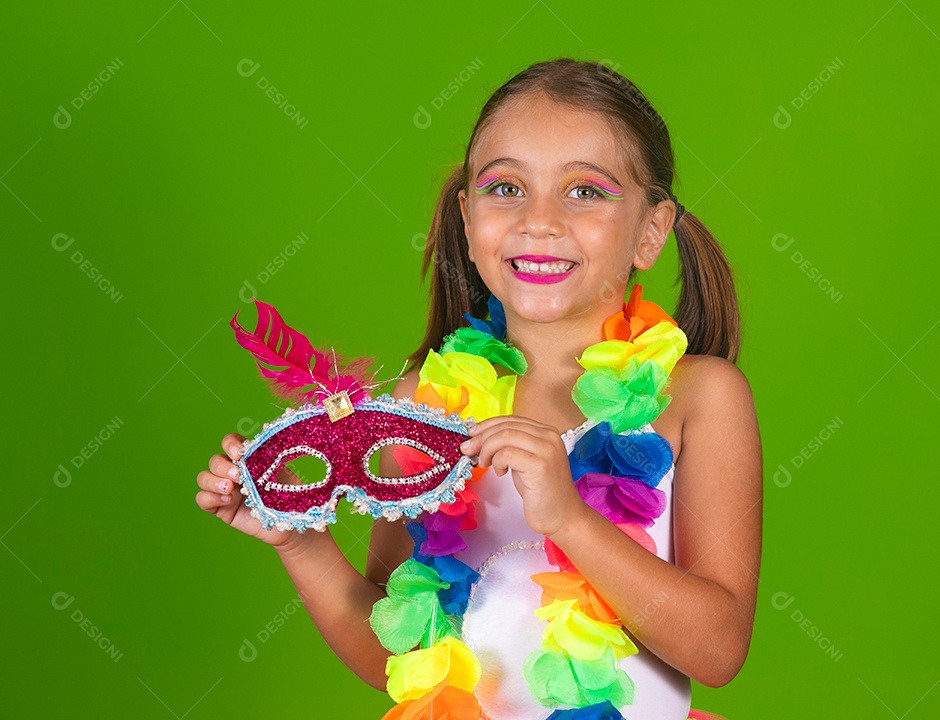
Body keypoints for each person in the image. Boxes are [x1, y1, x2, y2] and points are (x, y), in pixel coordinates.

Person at [196, 57, 761, 720]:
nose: (539, 220)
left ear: (651, 231)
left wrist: (570, 519)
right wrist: (300, 542)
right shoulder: (423, 406)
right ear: (467, 222)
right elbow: (398, 659)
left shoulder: (697, 397)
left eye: (585, 191)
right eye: (506, 187)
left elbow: (718, 650)